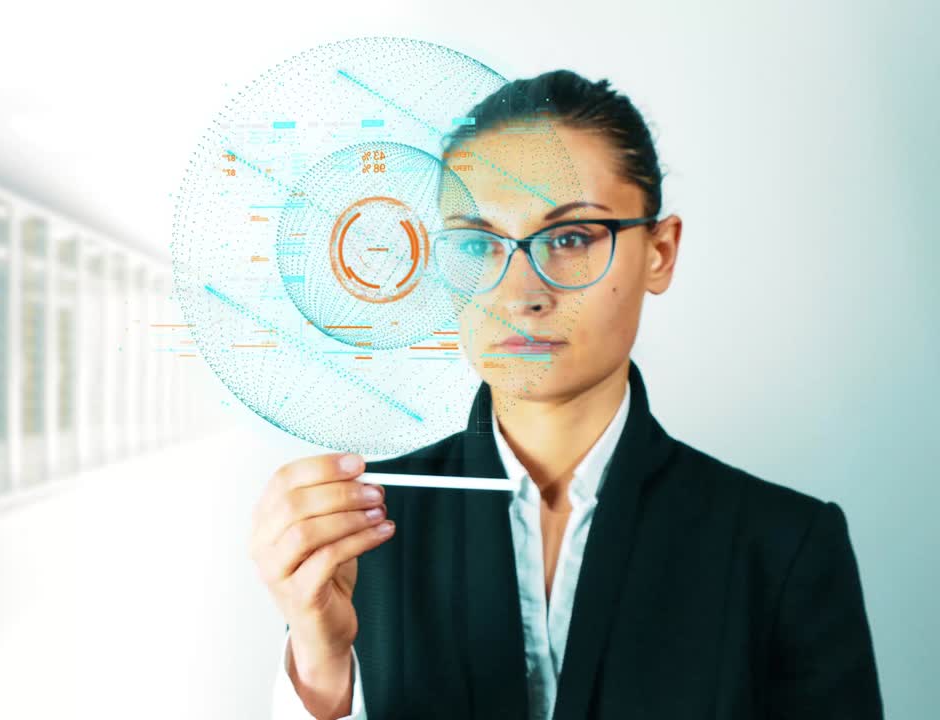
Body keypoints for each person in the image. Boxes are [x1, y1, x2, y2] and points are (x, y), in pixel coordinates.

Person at [248, 69, 882, 720]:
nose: (522, 293)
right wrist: (319, 661)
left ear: (660, 252)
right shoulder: (363, 530)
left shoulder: (783, 546)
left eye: (571, 238)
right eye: (476, 243)